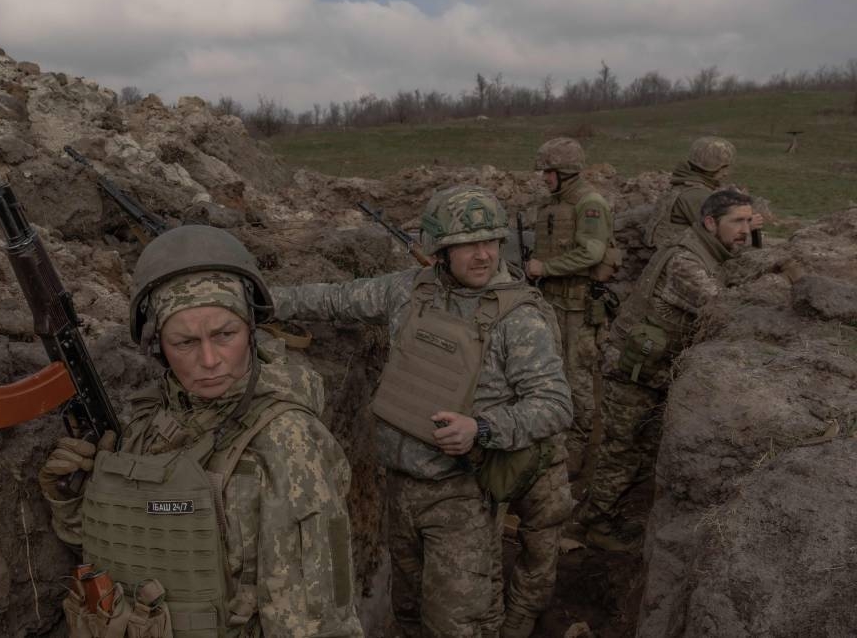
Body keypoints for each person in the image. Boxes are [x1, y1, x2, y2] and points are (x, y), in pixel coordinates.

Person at [271, 185, 573, 638]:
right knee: (408, 612)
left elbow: (554, 404)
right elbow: (334, 299)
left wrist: (483, 428)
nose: (483, 255)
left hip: (462, 495)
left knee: (461, 626)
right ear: (441, 250)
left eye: (491, 241)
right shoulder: (409, 291)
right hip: (399, 489)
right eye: (468, 244)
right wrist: (254, 297)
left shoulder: (519, 317)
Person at [39, 225, 363, 638]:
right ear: (158, 345)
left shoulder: (287, 441)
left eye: (225, 335)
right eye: (185, 342)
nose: (209, 360)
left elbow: (315, 621)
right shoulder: (145, 422)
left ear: (250, 329)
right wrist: (71, 495)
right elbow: (120, 550)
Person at [578, 189, 756, 551]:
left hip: (650, 370)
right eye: (737, 221)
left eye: (749, 221)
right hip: (634, 372)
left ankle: (607, 514)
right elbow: (726, 311)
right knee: (624, 450)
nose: (746, 229)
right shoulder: (686, 263)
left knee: (639, 450)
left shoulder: (705, 248)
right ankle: (598, 524)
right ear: (710, 222)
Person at [525, 137, 621, 485]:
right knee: (551, 374)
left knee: (578, 380)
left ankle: (577, 457)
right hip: (553, 302)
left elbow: (592, 254)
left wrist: (544, 269)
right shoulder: (554, 203)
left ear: (564, 172)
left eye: (549, 172)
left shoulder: (589, 203)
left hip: (578, 308)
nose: (544, 178)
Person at [645, 136, 740, 249]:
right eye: (723, 168)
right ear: (711, 168)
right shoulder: (696, 194)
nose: (726, 174)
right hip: (677, 255)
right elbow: (717, 236)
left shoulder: (683, 183)